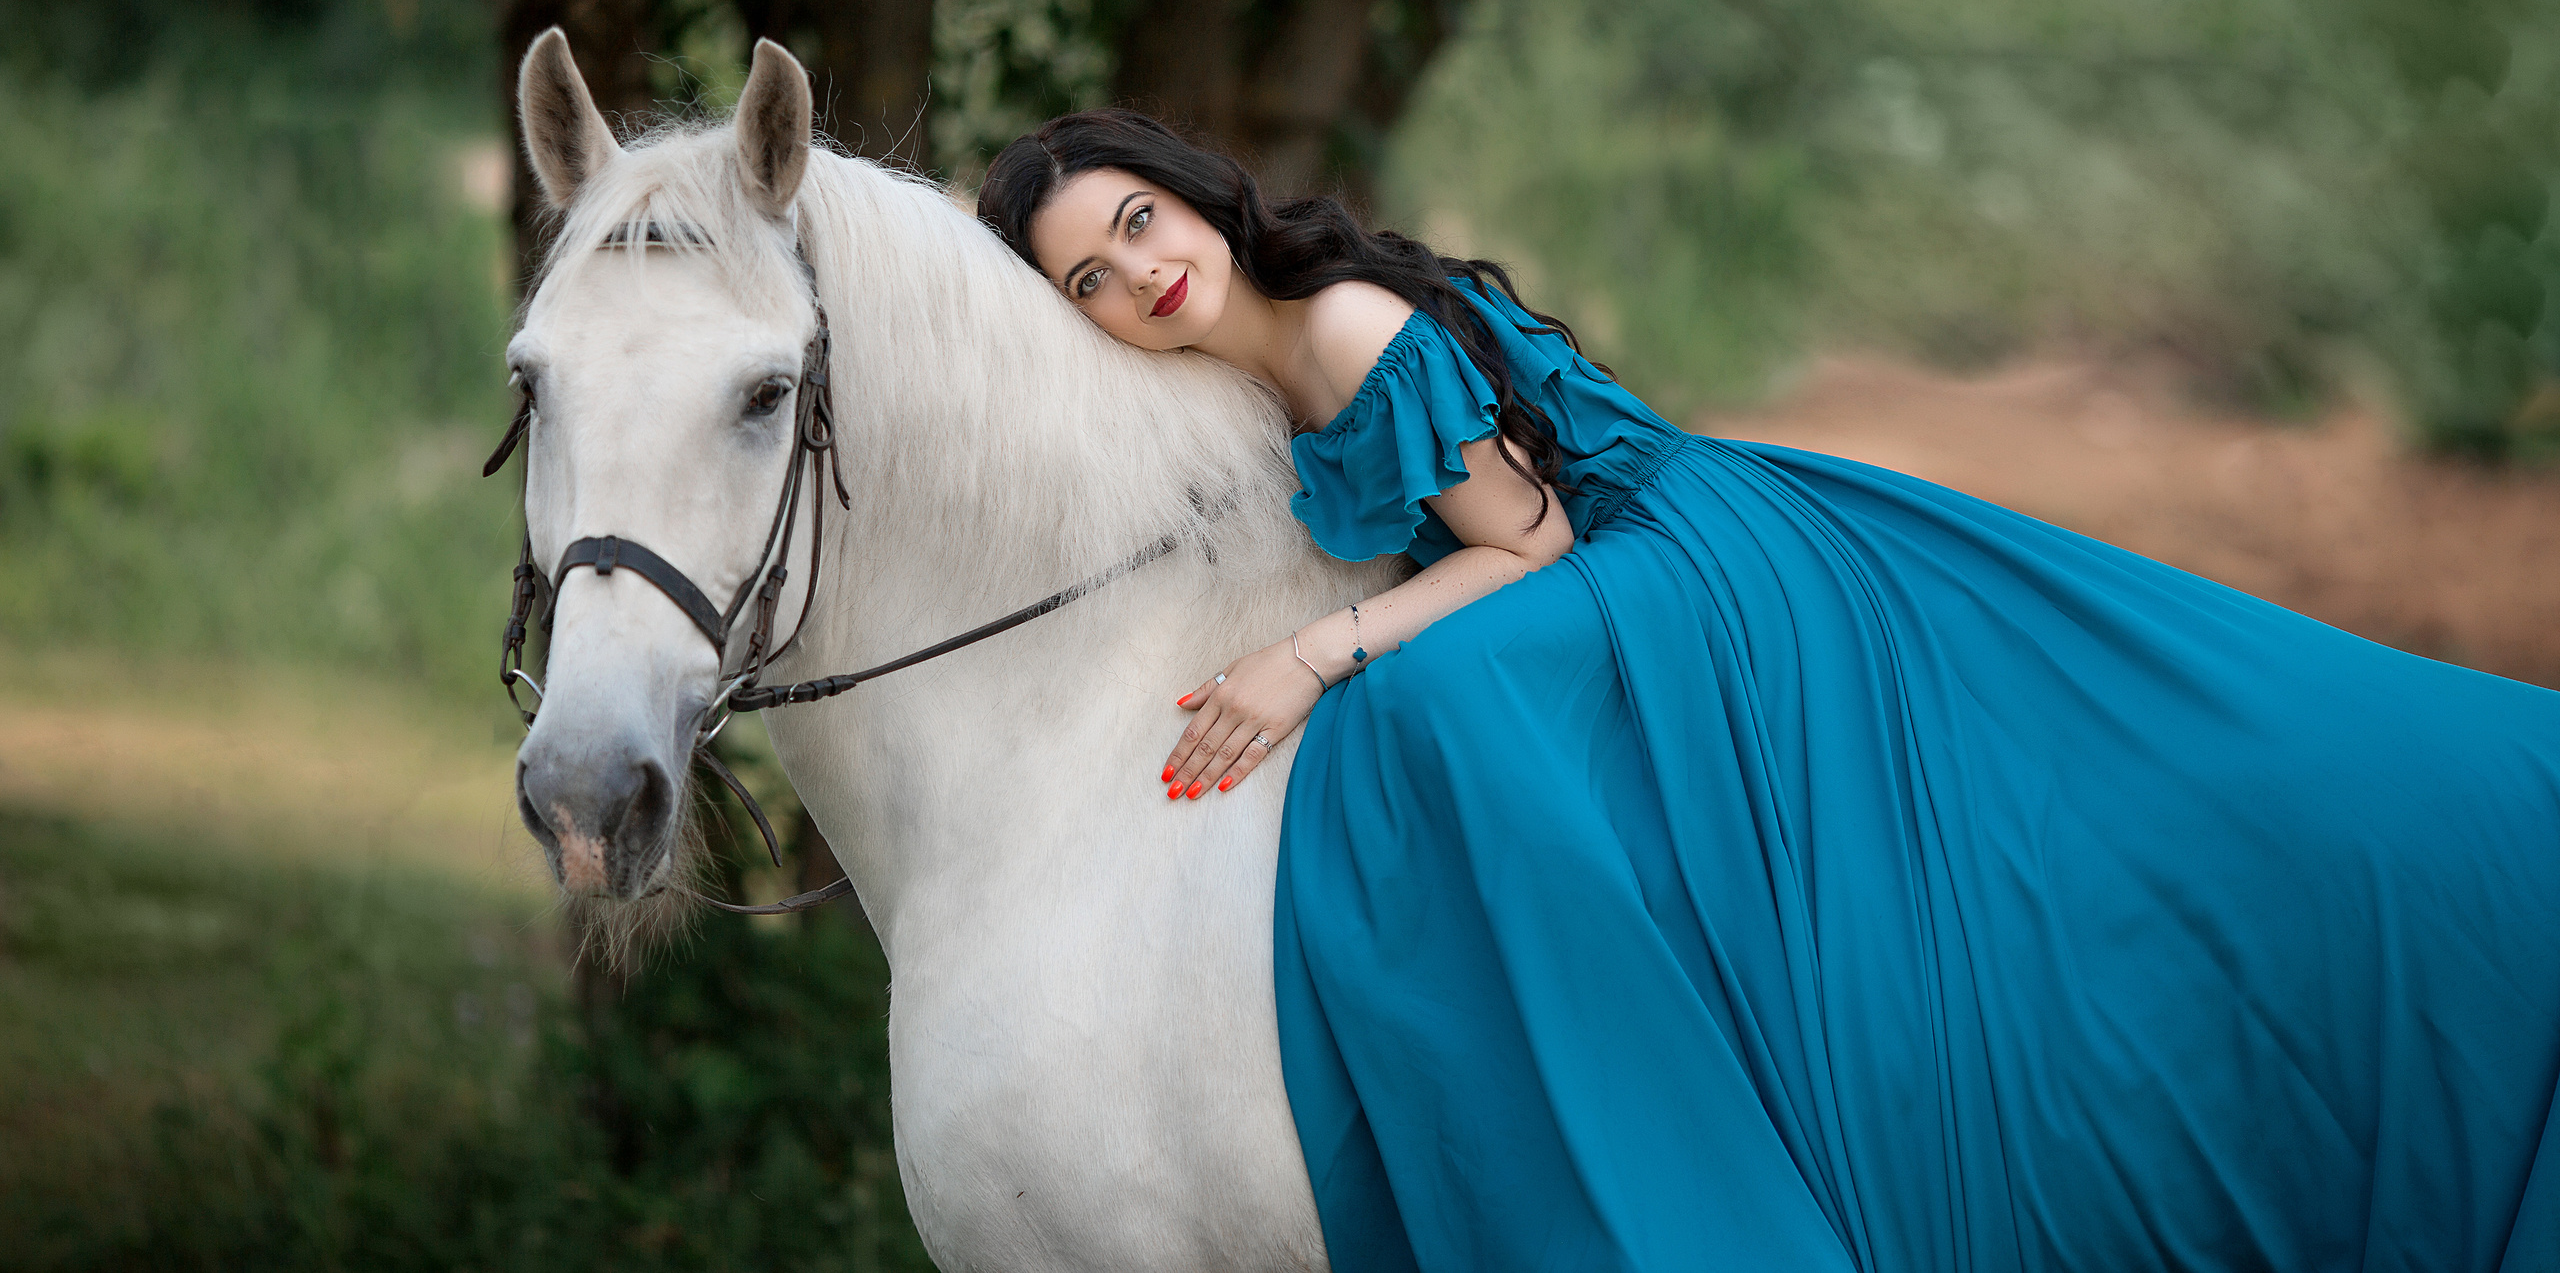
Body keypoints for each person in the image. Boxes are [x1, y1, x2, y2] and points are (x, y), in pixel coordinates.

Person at [977, 108, 2560, 1273]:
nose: (1138, 275)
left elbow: (1523, 545)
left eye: (1139, 223)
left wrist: (1304, 660)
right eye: (1090, 281)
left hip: (1660, 553)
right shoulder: (1246, 369)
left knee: (1423, 718)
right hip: (1630, 553)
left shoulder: (1341, 321)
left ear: (1198, 194)